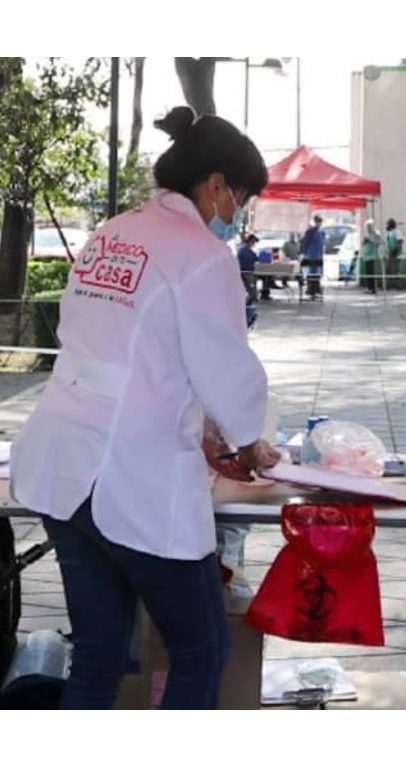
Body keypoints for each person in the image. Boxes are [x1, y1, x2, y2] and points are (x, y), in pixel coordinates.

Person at [9, 105, 281, 709]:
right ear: (216, 186)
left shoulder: (111, 234)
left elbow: (117, 348)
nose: (238, 214)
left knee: (100, 653)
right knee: (202, 649)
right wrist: (247, 440)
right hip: (131, 477)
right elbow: (226, 366)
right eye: (241, 198)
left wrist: (202, 420)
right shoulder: (201, 255)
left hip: (63, 463)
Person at [300, 214, 325, 298]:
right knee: (311, 274)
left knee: (317, 273)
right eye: (318, 221)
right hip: (311, 255)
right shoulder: (311, 231)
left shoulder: (321, 232)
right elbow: (305, 242)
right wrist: (304, 252)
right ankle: (311, 290)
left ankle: (316, 290)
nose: (319, 223)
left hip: (318, 255)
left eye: (320, 222)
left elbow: (322, 244)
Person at [236, 233, 259, 314]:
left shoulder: (242, 249)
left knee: (248, 287)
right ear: (251, 242)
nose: (254, 244)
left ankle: (251, 299)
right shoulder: (246, 251)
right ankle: (253, 299)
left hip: (243, 271)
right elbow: (255, 259)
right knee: (251, 286)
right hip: (247, 271)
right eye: (254, 242)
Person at [360, 220, 383, 294]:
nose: (368, 228)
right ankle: (369, 287)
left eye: (369, 226)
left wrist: (370, 241)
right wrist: (364, 242)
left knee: (372, 273)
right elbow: (363, 244)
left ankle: (373, 288)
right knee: (368, 273)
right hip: (366, 256)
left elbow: (380, 242)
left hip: (373, 256)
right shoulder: (367, 235)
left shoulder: (376, 234)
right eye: (367, 227)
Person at [384, 218, 403, 290]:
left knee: (396, 270)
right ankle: (388, 285)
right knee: (388, 270)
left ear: (391, 225)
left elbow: (400, 242)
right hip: (390, 254)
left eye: (388, 224)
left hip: (396, 254)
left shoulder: (397, 232)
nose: (387, 226)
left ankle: (398, 285)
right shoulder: (390, 233)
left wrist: (395, 251)